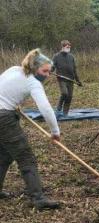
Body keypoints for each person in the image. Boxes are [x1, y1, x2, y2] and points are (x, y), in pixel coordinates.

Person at [0, 49, 61, 210]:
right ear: (35, 68)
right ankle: (38, 199)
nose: (47, 75)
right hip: (4, 118)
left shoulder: (14, 69)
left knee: (4, 154)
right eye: (44, 71)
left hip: (4, 112)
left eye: (49, 71)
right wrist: (55, 132)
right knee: (26, 158)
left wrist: (13, 102)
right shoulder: (33, 82)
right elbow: (46, 109)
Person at [53, 40, 82, 116]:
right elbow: (53, 66)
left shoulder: (71, 57)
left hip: (71, 79)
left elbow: (74, 69)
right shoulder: (56, 56)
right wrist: (49, 70)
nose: (68, 48)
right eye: (67, 46)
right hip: (61, 79)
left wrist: (78, 81)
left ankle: (65, 113)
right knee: (64, 93)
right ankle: (59, 105)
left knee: (69, 96)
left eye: (69, 47)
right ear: (63, 47)